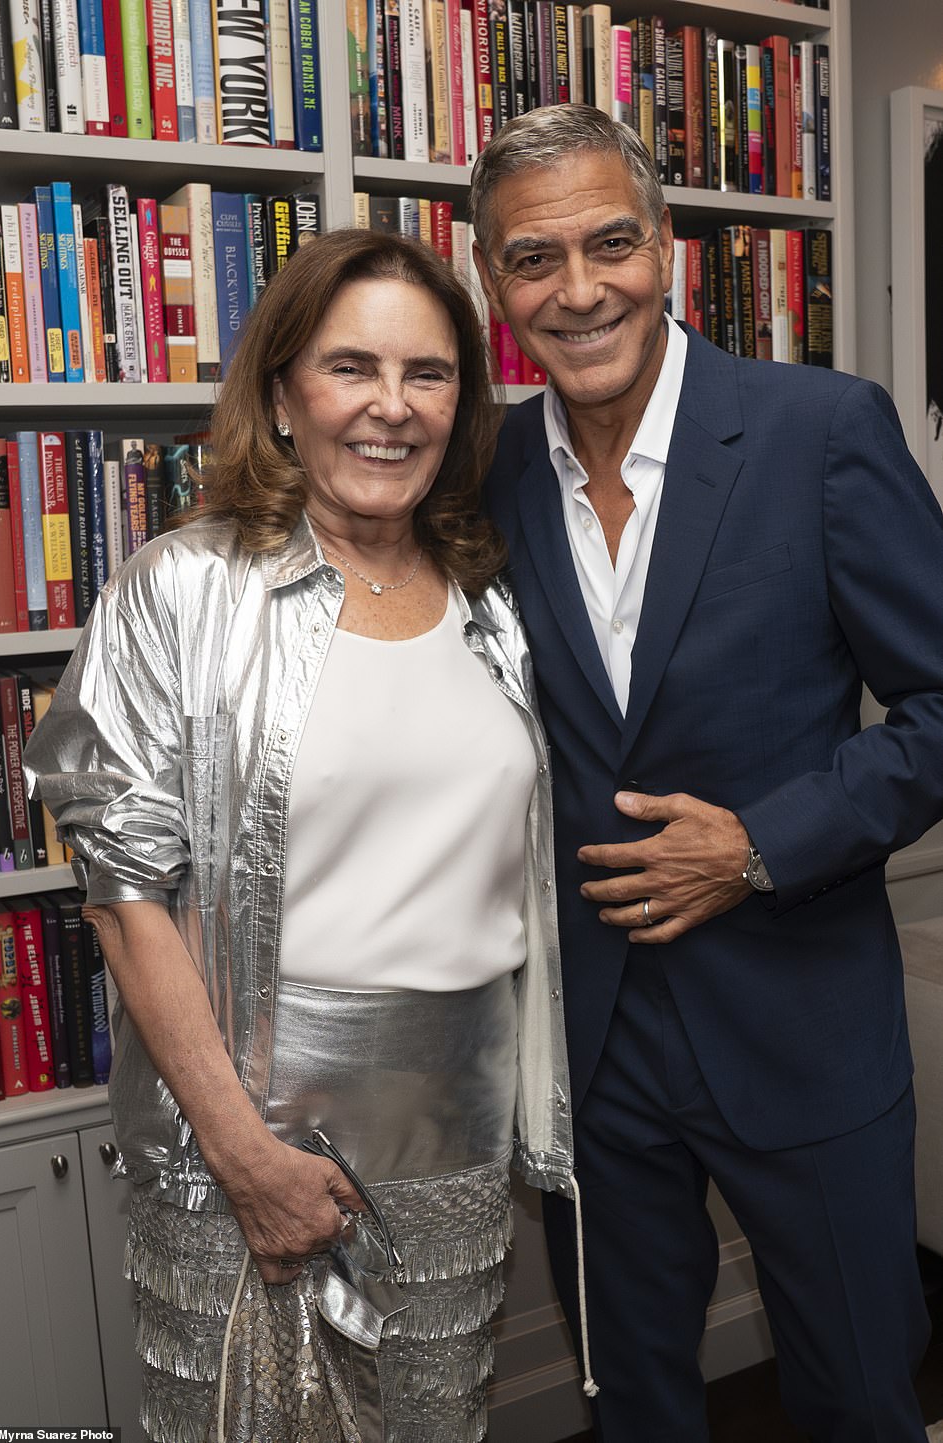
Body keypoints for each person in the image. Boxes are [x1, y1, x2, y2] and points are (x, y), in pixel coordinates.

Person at [24, 228, 576, 1443]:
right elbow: (124, 896)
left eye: (426, 375)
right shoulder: (181, 588)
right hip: (245, 1138)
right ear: (281, 393)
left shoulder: (491, 602)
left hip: (457, 1143)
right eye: (349, 369)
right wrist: (241, 1154)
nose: (390, 408)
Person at [470, 103, 943, 1442]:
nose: (576, 290)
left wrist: (755, 843)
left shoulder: (819, 431)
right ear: (488, 280)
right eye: (530, 260)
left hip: (801, 1023)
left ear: (666, 244)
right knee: (632, 1403)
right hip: (593, 1045)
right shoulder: (489, 466)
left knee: (856, 1394)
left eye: (609, 242)